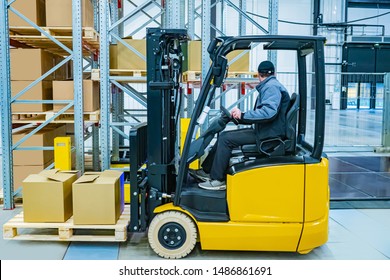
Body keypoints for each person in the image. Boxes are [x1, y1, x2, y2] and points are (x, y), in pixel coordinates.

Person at [190, 60, 291, 191]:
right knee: (225, 135)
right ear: (274, 73)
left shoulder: (271, 87)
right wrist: (241, 117)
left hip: (268, 136)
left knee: (226, 139)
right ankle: (207, 171)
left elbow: (268, 113)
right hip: (265, 131)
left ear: (259, 75)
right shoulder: (272, 85)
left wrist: (243, 115)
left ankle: (217, 179)